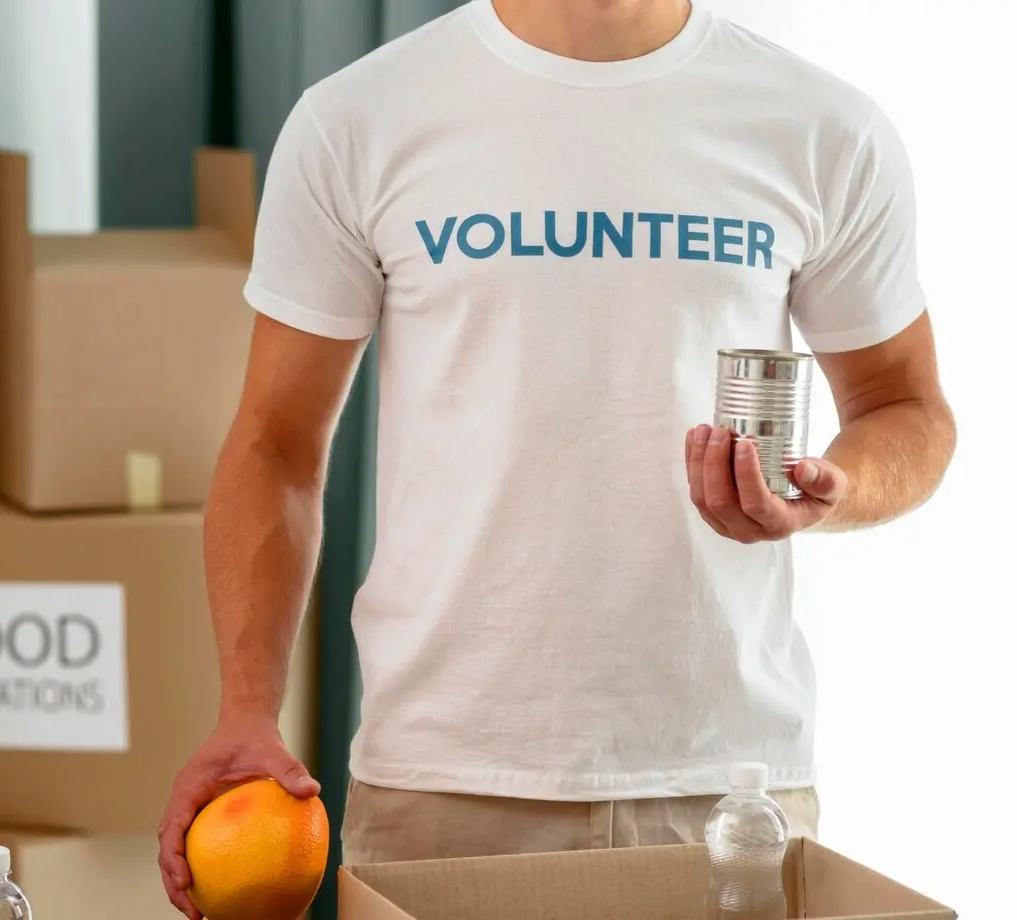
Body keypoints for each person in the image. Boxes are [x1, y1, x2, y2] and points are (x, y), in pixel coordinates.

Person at [158, 0, 956, 915]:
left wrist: (833, 490)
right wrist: (248, 710)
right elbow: (275, 443)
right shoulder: (359, 118)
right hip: (444, 786)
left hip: (727, 790)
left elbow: (907, 408)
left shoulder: (822, 126)